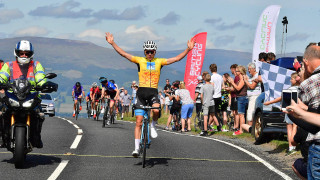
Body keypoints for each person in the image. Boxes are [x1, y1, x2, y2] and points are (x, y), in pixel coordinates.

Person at [105, 32, 195, 157]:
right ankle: (136, 149)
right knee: (138, 122)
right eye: (147, 52)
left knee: (157, 110)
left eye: (152, 51)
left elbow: (176, 59)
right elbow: (123, 54)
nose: (150, 54)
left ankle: (153, 125)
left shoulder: (159, 62)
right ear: (144, 52)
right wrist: (112, 43)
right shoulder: (140, 60)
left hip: (152, 91)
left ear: (155, 52)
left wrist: (188, 49)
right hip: (141, 92)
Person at [0, 40, 46, 148]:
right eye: (21, 53)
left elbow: (40, 77)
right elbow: (2, 76)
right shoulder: (8, 65)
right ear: (16, 53)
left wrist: (44, 84)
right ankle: (2, 137)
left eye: (27, 53)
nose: (24, 55)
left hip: (31, 96)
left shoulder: (36, 65)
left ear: (31, 54)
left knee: (40, 115)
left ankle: (36, 137)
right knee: (2, 113)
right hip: (12, 96)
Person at [227, 65, 248, 135]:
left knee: (241, 115)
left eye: (237, 71)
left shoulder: (242, 79)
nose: (235, 72)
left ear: (240, 71)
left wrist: (232, 82)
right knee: (240, 114)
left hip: (242, 97)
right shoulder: (240, 79)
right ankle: (242, 129)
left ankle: (241, 130)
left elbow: (238, 88)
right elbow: (236, 88)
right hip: (240, 97)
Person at [243, 63, 261, 131]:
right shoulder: (251, 77)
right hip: (251, 97)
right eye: (248, 69)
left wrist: (245, 80)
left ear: (254, 69)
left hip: (254, 96)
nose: (249, 70)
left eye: (250, 69)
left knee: (251, 113)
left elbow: (252, 86)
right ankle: (251, 128)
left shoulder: (256, 76)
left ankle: (251, 129)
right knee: (251, 112)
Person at [209, 64, 223, 131]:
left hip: (213, 96)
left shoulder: (212, 77)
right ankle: (209, 125)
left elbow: (211, 87)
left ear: (210, 69)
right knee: (215, 112)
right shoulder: (220, 77)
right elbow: (222, 86)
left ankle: (217, 125)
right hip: (219, 96)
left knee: (212, 112)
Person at [226, 64, 239, 131]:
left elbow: (235, 87)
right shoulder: (234, 77)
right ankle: (235, 126)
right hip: (233, 95)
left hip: (235, 96)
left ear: (233, 69)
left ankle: (236, 126)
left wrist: (229, 88)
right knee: (234, 112)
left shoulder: (236, 77)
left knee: (236, 112)